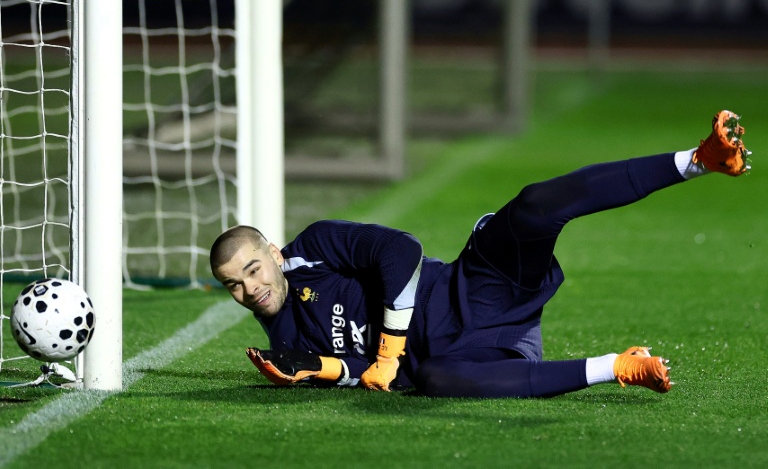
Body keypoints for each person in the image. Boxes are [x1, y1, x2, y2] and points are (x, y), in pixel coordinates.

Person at [210, 110, 751, 398]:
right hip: (471, 355)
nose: (249, 289)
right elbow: (364, 372)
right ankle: (618, 366)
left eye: (252, 269)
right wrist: (318, 369)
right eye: (233, 284)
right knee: (435, 382)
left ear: (274, 252)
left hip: (474, 287)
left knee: (534, 206)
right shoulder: (281, 338)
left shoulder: (316, 244)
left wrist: (389, 351)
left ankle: (698, 160)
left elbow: (401, 251)